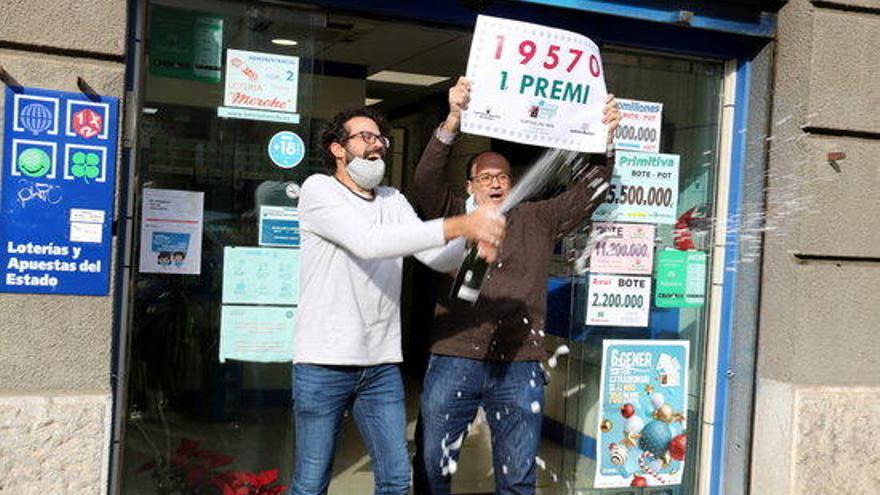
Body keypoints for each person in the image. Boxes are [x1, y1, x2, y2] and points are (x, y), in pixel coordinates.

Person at [412, 77, 620, 495]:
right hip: (454, 357)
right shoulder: (453, 214)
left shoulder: (536, 218)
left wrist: (606, 138)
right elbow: (426, 181)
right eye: (484, 176)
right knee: (432, 469)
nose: (495, 183)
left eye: (503, 176)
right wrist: (453, 119)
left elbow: (591, 191)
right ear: (469, 185)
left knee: (519, 477)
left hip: (520, 363)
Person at [291, 106, 506, 495]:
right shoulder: (318, 191)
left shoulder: (391, 199)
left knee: (395, 480)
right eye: (365, 137)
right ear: (337, 149)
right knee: (311, 482)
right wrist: (460, 225)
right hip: (323, 363)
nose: (376, 146)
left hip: (380, 366)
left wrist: (474, 250)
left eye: (380, 139)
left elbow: (433, 255)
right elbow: (369, 242)